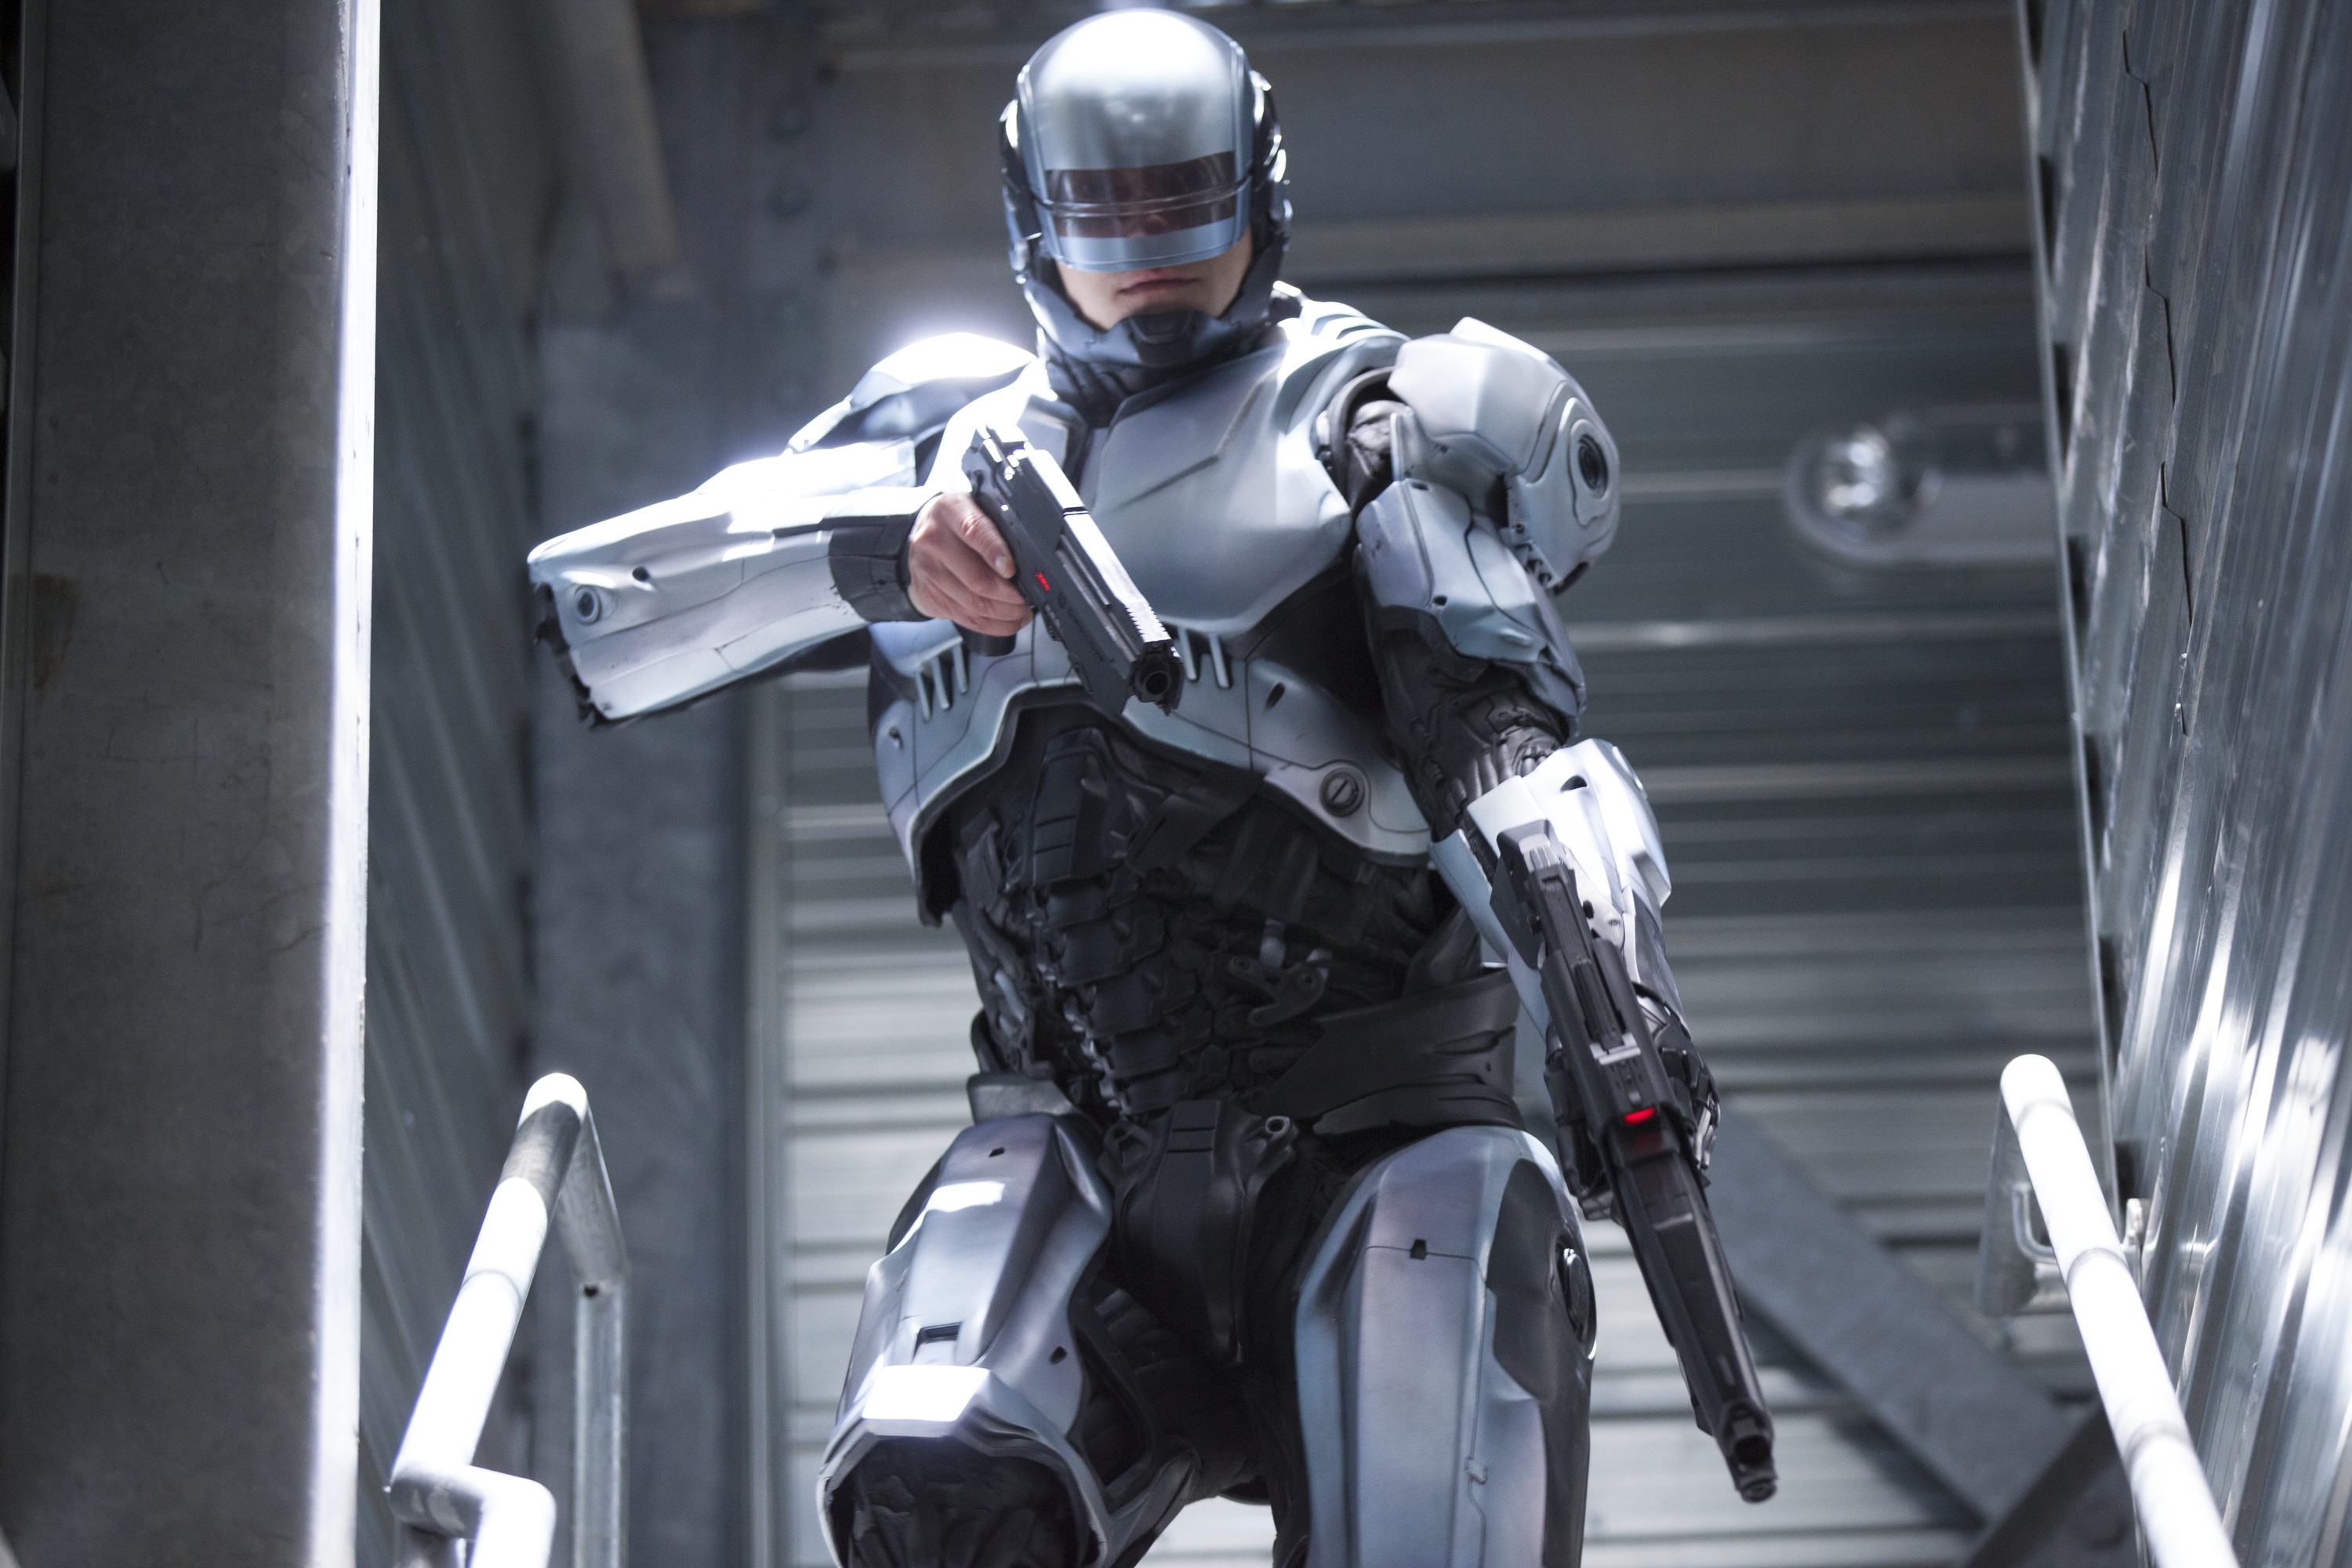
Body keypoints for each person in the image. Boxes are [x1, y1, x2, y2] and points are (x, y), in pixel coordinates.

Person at [529, 12, 1726, 1566]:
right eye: (1110, 216)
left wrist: (1619, 1029)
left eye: (1186, 207)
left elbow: (1518, 762)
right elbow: (597, 616)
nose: (1152, 254)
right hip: (1072, 1160)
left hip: (1375, 1142)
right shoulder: (932, 438)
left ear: (1257, 195)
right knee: (935, 1496)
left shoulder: (1377, 421)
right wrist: (880, 550)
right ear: (1037, 226)